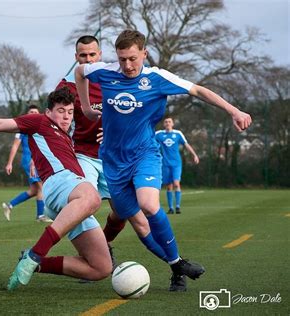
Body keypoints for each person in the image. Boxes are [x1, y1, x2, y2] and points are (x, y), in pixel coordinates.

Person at [75, 29, 252, 291]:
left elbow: (198, 90)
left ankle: (176, 267)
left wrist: (233, 110)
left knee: (148, 203)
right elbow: (81, 71)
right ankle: (177, 266)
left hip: (144, 153)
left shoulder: (157, 78)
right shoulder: (105, 71)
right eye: (122, 59)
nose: (127, 65)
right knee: (138, 224)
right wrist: (87, 107)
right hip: (112, 161)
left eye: (133, 58)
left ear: (144, 54)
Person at [0, 87, 112, 291]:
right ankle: (36, 254)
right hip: (59, 183)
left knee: (100, 267)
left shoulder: (68, 137)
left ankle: (35, 263)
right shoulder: (39, 122)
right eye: (61, 111)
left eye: (70, 112)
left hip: (69, 197)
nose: (66, 116)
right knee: (92, 198)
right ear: (48, 112)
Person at [56, 35, 152, 271]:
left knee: (122, 213)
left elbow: (141, 118)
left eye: (92, 55)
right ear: (75, 57)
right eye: (82, 55)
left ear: (100, 55)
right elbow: (55, 123)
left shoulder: (116, 78)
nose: (87, 59)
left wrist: (116, 136)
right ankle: (93, 256)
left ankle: (105, 244)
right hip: (83, 155)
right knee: (82, 205)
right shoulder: (67, 86)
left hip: (116, 160)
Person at [2, 104, 52, 223]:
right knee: (41, 187)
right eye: (31, 112)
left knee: (34, 190)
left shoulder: (40, 128)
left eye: (36, 112)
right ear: (27, 115)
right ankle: (40, 216)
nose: (33, 114)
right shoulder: (23, 129)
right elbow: (15, 146)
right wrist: (9, 163)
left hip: (37, 161)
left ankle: (9, 205)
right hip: (29, 162)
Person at [155, 117, 199, 214]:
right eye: (166, 122)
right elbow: (149, 142)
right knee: (169, 186)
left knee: (176, 183)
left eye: (169, 121)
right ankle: (171, 208)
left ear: (173, 123)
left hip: (176, 164)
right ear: (163, 124)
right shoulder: (159, 134)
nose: (167, 123)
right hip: (165, 164)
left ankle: (178, 206)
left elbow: (186, 144)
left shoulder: (178, 134)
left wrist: (194, 155)